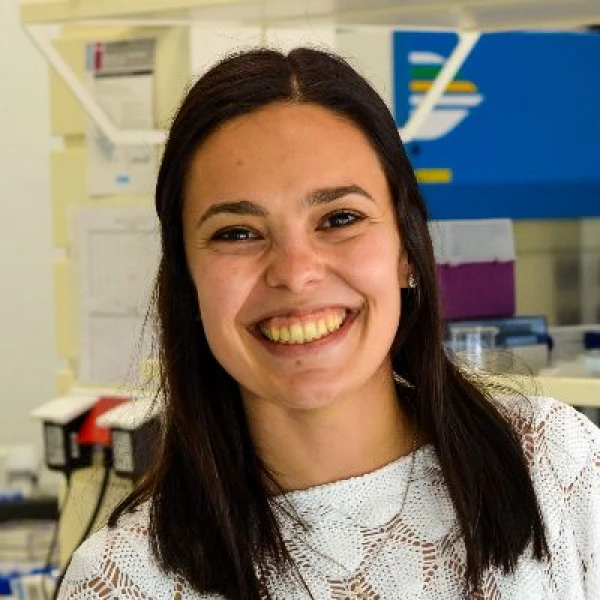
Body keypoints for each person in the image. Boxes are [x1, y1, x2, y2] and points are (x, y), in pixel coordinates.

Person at [56, 47, 600, 600]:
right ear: (187, 281)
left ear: (407, 250)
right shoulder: (122, 582)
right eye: (237, 232)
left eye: (340, 218)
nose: (295, 274)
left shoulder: (557, 466)